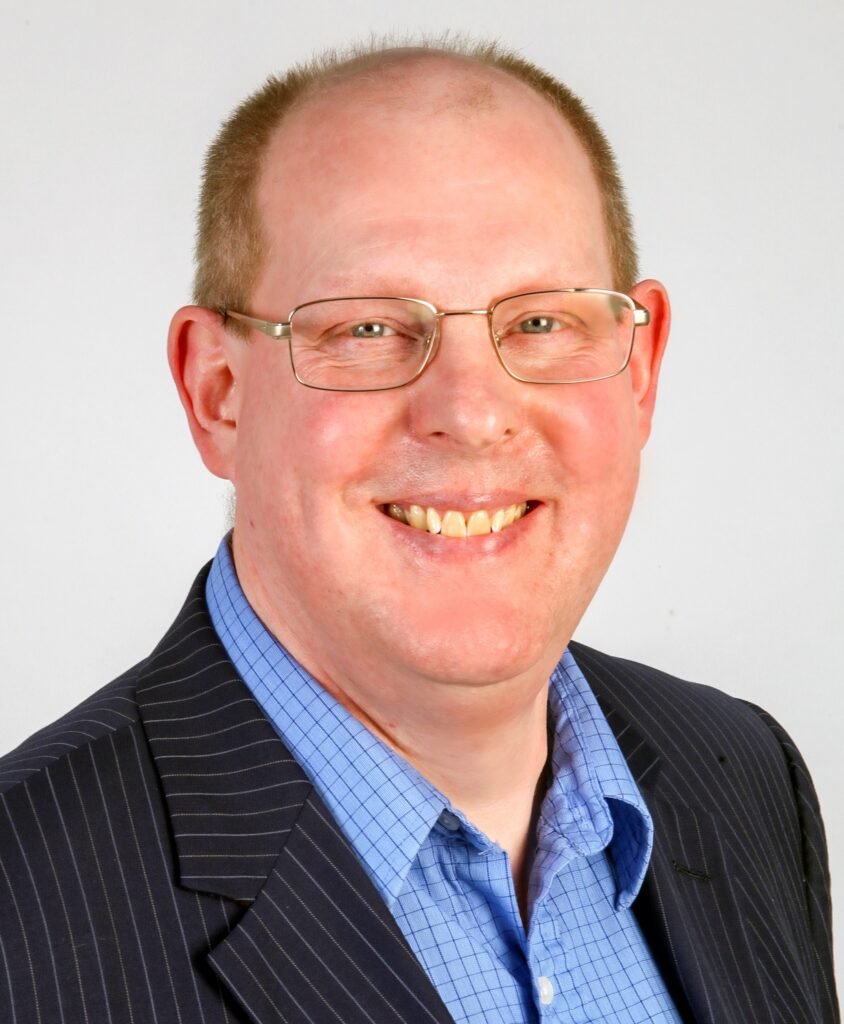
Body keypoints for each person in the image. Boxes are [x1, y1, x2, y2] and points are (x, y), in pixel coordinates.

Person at [0, 38, 837, 1024]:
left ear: (638, 367)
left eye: (539, 323)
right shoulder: (22, 908)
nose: (472, 412)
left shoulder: (740, 777)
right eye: (365, 329)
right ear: (217, 393)